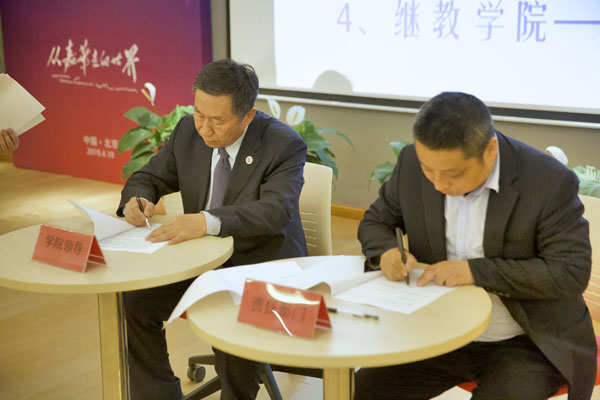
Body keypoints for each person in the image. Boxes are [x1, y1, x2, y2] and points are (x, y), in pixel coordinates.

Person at [356, 92, 596, 400]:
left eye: (453, 174)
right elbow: (376, 221)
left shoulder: (547, 181)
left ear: (490, 150)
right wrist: (385, 251)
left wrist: (474, 272)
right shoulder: (413, 163)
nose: (438, 183)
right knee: (361, 392)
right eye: (428, 169)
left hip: (524, 341)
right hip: (438, 331)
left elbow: (570, 272)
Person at [117, 59, 308, 400]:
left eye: (217, 120)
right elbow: (148, 176)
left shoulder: (282, 144)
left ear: (247, 116)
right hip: (200, 263)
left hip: (260, 267)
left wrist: (206, 221)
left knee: (231, 329)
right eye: (198, 114)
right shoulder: (188, 132)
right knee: (135, 303)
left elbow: (276, 211)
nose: (204, 128)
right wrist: (138, 199)